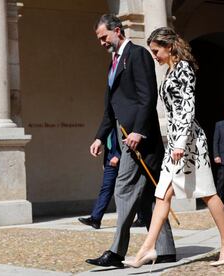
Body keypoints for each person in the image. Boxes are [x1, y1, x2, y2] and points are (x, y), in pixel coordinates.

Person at [123, 27, 224, 269]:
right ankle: (148, 247)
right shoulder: (171, 71)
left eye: (156, 51)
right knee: (162, 193)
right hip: (177, 142)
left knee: (208, 193)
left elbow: (187, 108)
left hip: (188, 143)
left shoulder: (184, 69)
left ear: (169, 46)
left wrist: (179, 144)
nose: (154, 56)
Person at [86, 14, 176, 268]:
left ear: (117, 30)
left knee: (123, 188)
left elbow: (148, 96)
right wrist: (99, 137)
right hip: (124, 136)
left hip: (139, 139)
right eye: (99, 39)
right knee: (146, 194)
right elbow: (111, 107)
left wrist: (138, 131)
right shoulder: (113, 63)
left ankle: (116, 252)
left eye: (104, 37)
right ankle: (166, 249)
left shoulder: (138, 54)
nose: (102, 42)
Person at [78, 128, 145, 229]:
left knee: (132, 187)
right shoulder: (108, 125)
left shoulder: (121, 121)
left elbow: (125, 140)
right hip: (110, 160)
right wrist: (105, 162)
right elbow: (109, 145)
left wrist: (118, 156)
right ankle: (95, 219)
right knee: (106, 188)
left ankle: (142, 217)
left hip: (124, 158)